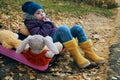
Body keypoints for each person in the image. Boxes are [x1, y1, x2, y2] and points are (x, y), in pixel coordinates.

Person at [19, 1, 105, 68]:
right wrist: (48, 23)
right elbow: (40, 35)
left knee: (77, 28)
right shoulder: (31, 23)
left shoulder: (43, 20)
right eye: (38, 13)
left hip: (56, 36)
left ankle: (89, 53)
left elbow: (53, 29)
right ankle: (76, 57)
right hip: (50, 41)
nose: (42, 14)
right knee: (63, 29)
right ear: (31, 16)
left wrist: (48, 23)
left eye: (42, 11)